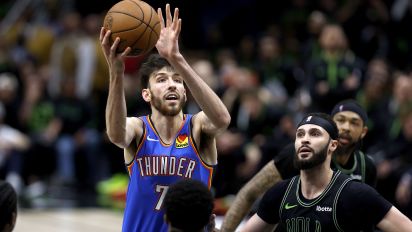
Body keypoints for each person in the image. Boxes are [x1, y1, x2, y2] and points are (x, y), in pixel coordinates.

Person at [99, 4, 231, 232]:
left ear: (184, 90)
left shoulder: (197, 127)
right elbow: (116, 134)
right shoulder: (138, 129)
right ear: (146, 94)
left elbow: (222, 120)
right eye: (161, 79)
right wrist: (117, 72)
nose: (171, 84)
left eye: (177, 80)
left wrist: (176, 58)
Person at [221, 99, 376, 231]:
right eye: (340, 120)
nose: (346, 127)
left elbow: (368, 218)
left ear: (363, 132)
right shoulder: (299, 154)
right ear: (331, 126)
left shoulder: (366, 166)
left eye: (354, 123)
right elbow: (250, 192)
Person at [241, 113, 412, 231]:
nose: (305, 139)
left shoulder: (355, 194)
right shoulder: (280, 193)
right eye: (300, 135)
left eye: (315, 134)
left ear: (333, 145)